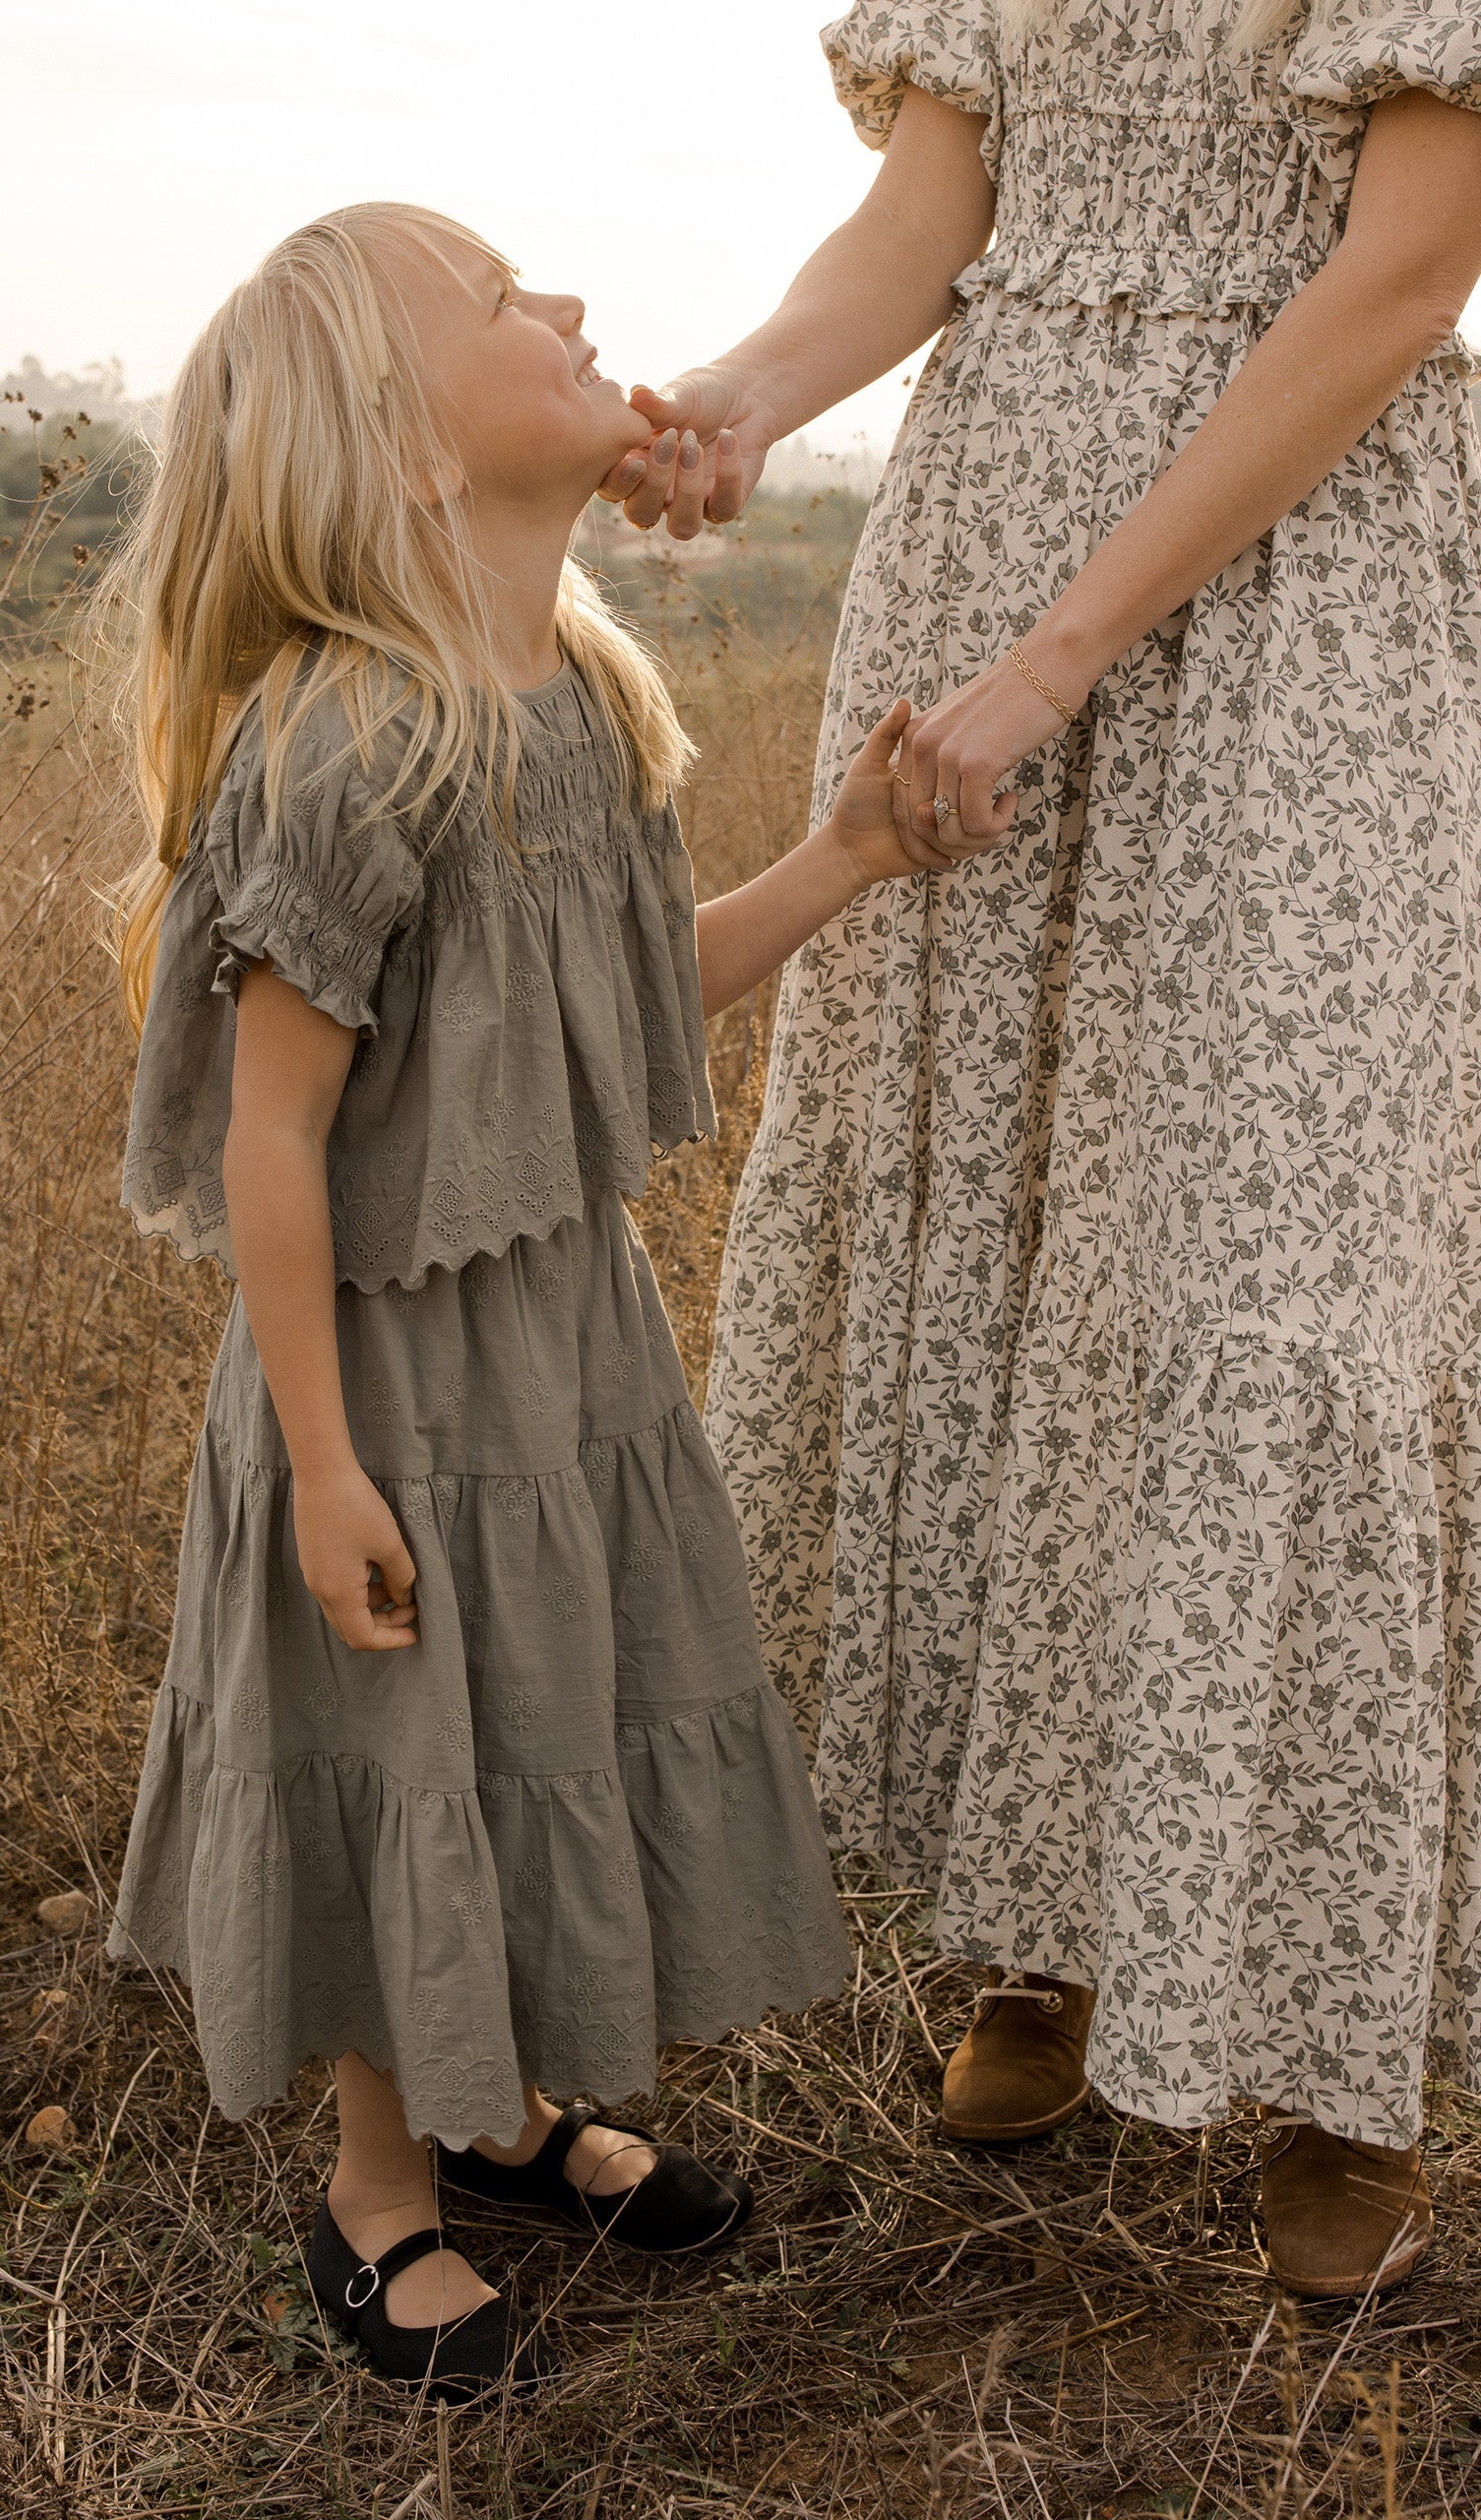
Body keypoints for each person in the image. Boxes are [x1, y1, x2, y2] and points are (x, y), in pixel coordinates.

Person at [611, 0, 1481, 2300]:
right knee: (998, 1215)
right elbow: (928, 214)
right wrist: (740, 397)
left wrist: (1061, 655)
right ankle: (1045, 1930)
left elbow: (1404, 275)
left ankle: (1336, 2055)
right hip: (985, 515)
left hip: (1297, 589)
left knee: (1272, 1255)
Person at [93, 202, 976, 2400]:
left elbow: (608, 1003)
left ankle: (496, 2111)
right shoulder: (343, 741)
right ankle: (379, 2196)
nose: (572, 307)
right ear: (402, 449)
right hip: (385, 1370)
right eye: (498, 304)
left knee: (535, 1715)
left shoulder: (569, 694)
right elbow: (270, 1141)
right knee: (417, 1741)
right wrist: (315, 1462)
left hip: (562, 1333)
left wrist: (843, 857)